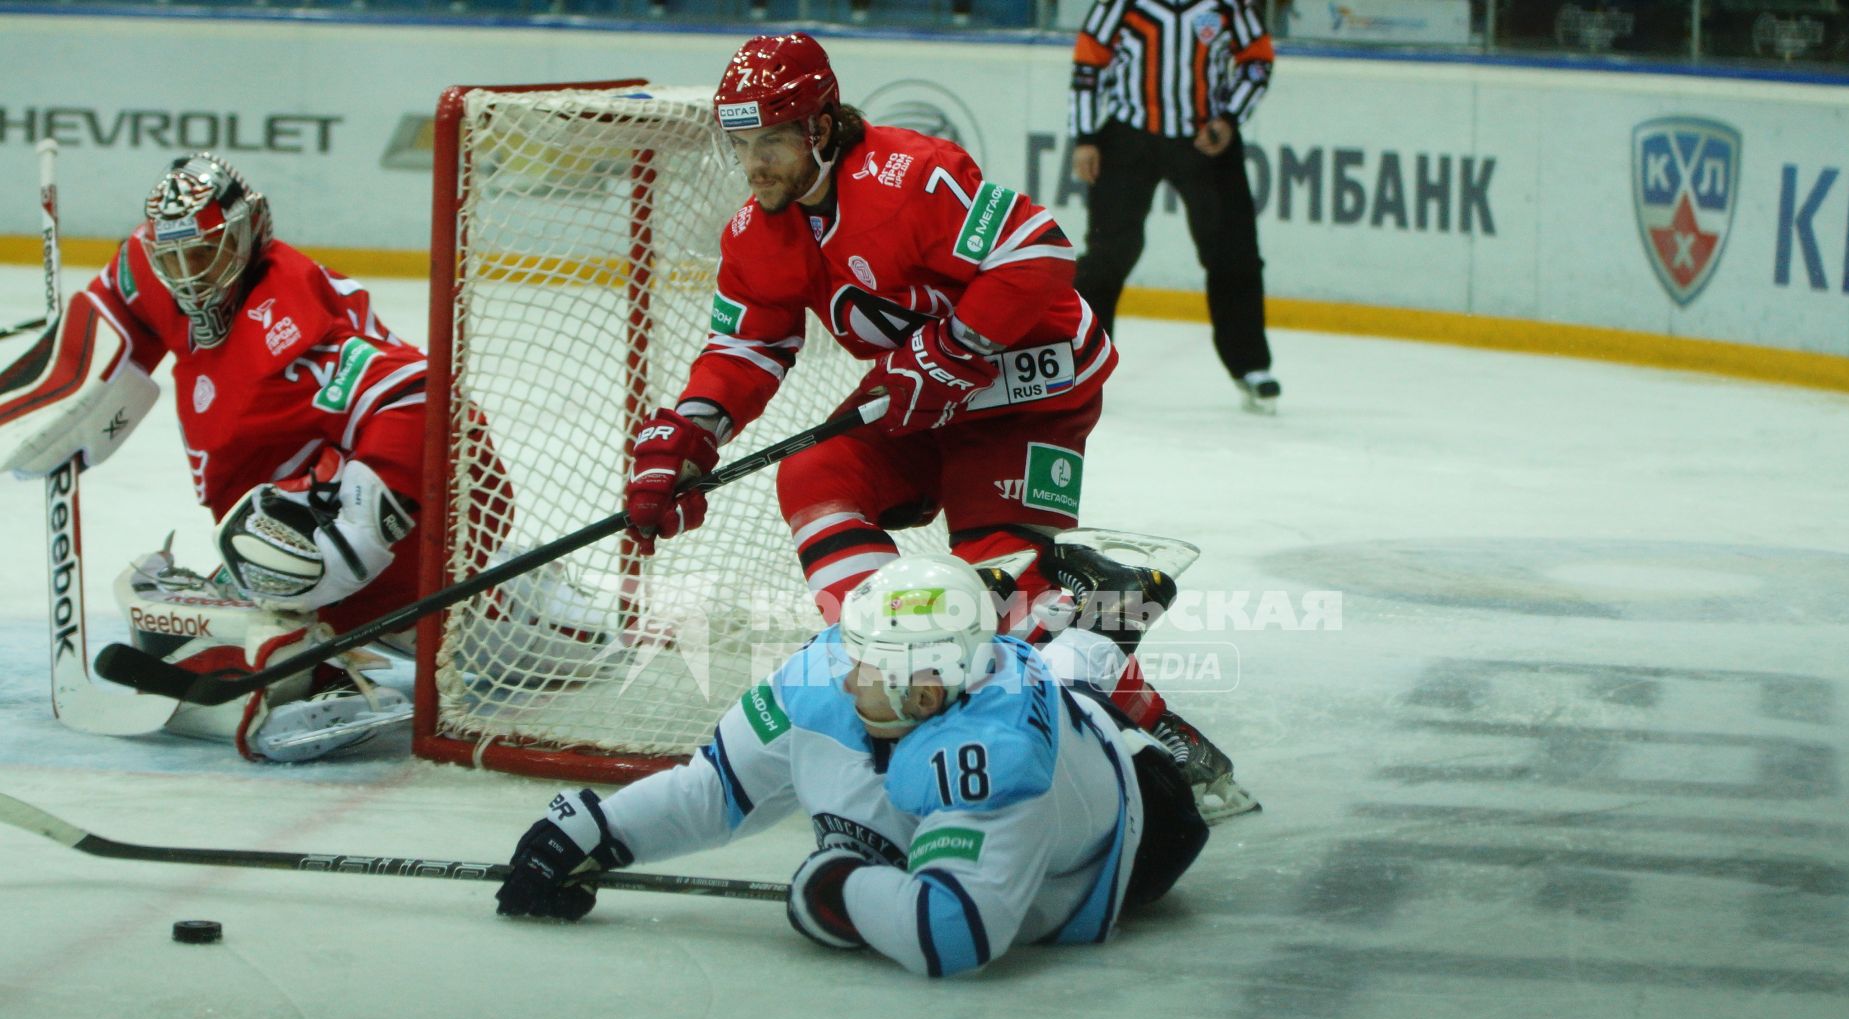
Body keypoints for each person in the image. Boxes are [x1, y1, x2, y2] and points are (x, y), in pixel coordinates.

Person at [625, 32, 1254, 814]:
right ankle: (884, 659)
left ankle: (1160, 728)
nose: (754, 166)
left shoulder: (910, 175)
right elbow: (746, 344)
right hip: (922, 395)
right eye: (741, 144)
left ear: (819, 128)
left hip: (1028, 388)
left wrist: (954, 348)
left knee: (1003, 596)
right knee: (816, 474)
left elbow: (1038, 251)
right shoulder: (761, 230)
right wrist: (686, 440)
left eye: (772, 142)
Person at [495, 553, 1210, 977]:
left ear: (923, 688)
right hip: (1014, 695)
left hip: (1139, 810)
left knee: (1067, 692)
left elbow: (954, 933)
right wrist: (595, 830)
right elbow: (717, 787)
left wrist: (832, 888)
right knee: (1050, 677)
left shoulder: (993, 765)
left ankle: (1114, 615)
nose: (844, 675)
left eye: (866, 665)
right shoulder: (837, 676)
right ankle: (1094, 613)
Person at [0, 153, 438, 760]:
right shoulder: (159, 269)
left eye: (203, 254)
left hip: (403, 546)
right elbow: (121, 305)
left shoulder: (288, 320)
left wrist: (360, 527)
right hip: (282, 514)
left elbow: (418, 390)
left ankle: (388, 629)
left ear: (250, 228)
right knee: (166, 618)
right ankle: (312, 642)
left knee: (267, 574)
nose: (188, 276)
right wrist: (64, 387)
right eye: (172, 258)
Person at [1068, 0, 1281, 414]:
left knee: (1233, 252)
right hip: (1129, 137)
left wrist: (1230, 117)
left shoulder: (1229, 4)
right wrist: (1085, 136)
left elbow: (1257, 61)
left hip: (1206, 140)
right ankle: (1080, 364)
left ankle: (1250, 364)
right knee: (1109, 253)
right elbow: (1088, 61)